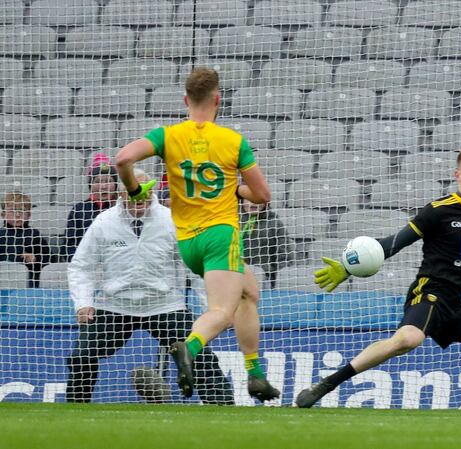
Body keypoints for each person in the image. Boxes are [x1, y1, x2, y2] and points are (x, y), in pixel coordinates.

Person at [299, 147, 461, 411]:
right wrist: (348, 268)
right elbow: (395, 243)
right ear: (457, 175)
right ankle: (327, 384)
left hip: (454, 307)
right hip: (428, 296)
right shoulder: (438, 210)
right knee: (408, 340)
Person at [114, 66, 279, 402]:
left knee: (249, 292)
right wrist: (236, 191)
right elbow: (262, 196)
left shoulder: (167, 136)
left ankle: (255, 374)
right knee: (221, 310)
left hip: (188, 241)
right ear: (218, 99)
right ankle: (188, 348)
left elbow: (122, 159)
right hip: (221, 235)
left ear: (185, 100)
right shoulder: (233, 142)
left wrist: (133, 189)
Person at [65, 169, 234, 404]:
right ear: (121, 194)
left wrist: (214, 307)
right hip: (115, 306)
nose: (139, 204)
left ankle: (223, 409)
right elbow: (81, 266)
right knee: (81, 356)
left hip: (165, 305)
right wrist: (84, 303)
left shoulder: (171, 220)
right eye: (133, 198)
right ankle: (75, 410)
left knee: (201, 356)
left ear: (152, 192)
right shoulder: (104, 222)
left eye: (144, 197)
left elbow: (196, 268)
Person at [62, 154, 119, 260]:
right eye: (98, 181)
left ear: (115, 184)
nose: (104, 186)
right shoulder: (79, 210)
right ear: (90, 185)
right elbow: (68, 247)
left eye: (108, 181)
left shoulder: (122, 208)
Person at [0, 191, 52, 287]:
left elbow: (48, 258)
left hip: (29, 282)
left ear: (29, 215)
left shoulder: (34, 234)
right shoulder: (1, 235)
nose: (18, 215)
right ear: (2, 215)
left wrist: (35, 259)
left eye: (22, 211)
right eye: (12, 211)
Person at [240, 199, 293, 289]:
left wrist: (273, 277)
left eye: (258, 198)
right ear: (241, 201)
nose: (253, 202)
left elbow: (284, 256)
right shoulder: (232, 221)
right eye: (249, 198)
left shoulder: (275, 223)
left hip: (264, 279)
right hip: (234, 274)